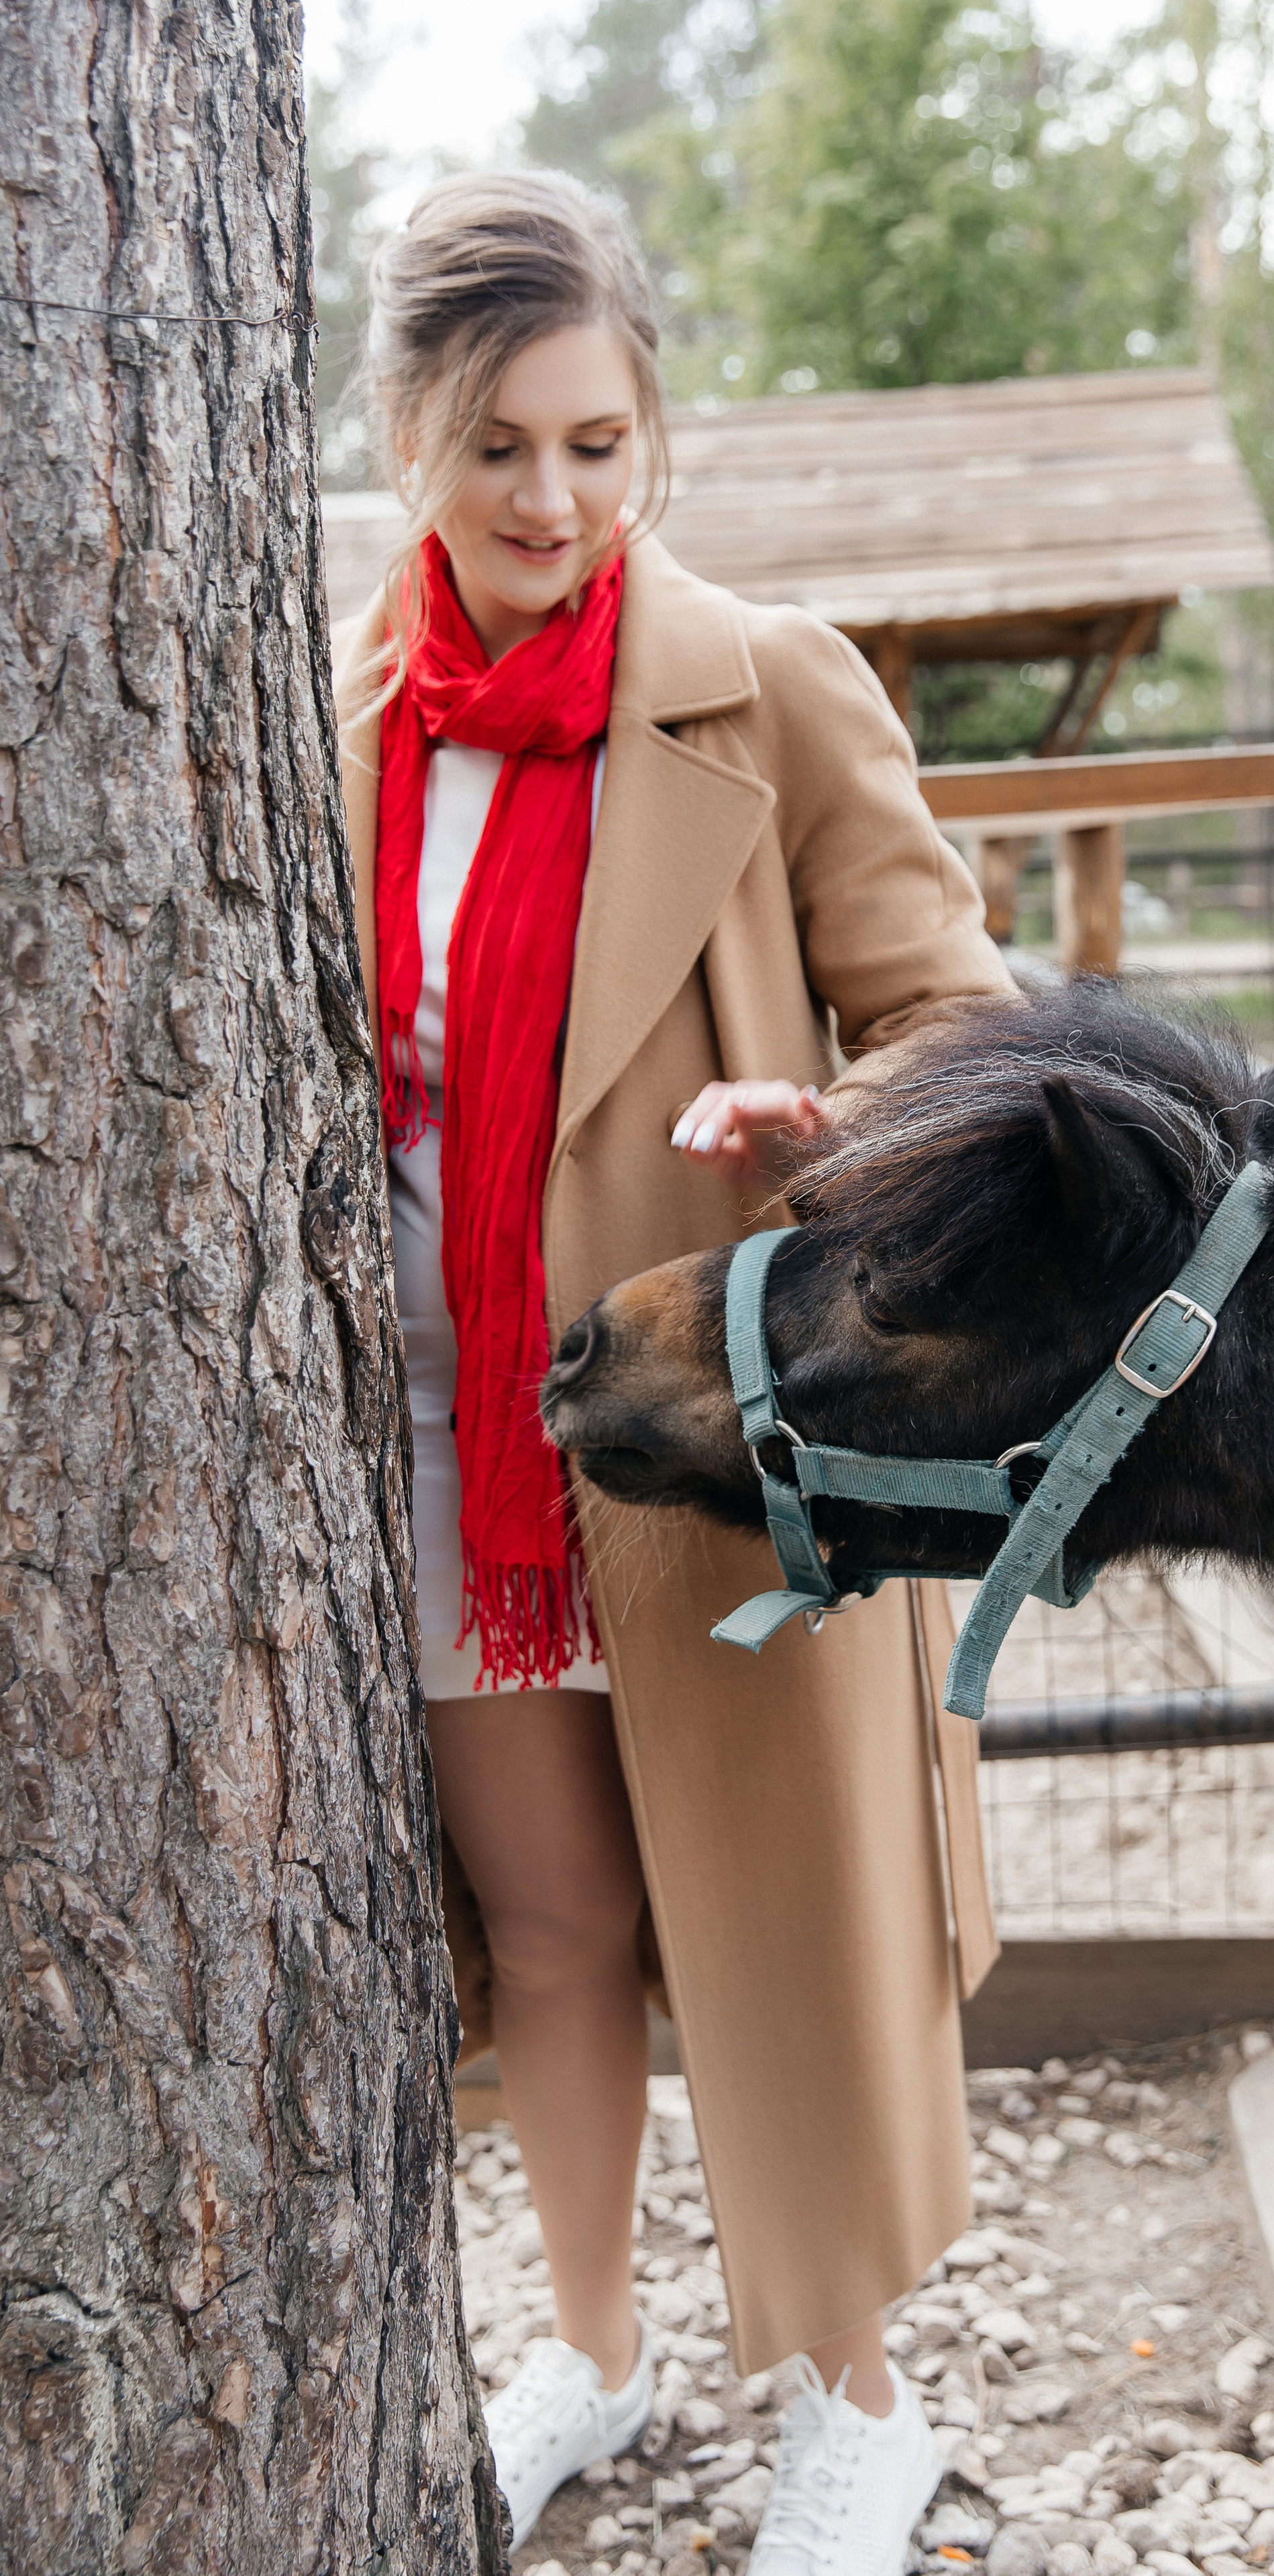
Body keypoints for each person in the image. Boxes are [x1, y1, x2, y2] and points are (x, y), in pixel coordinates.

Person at [332, 170, 1014, 2565]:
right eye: (498, 446)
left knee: (779, 1916)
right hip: (440, 1441)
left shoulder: (770, 681)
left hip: (726, 1422)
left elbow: (966, 1017)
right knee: (551, 1930)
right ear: (409, 430)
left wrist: (840, 1129)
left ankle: (858, 2398)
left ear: (653, 437)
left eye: (598, 444)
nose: (550, 501)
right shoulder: (341, 723)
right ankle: (597, 2351)